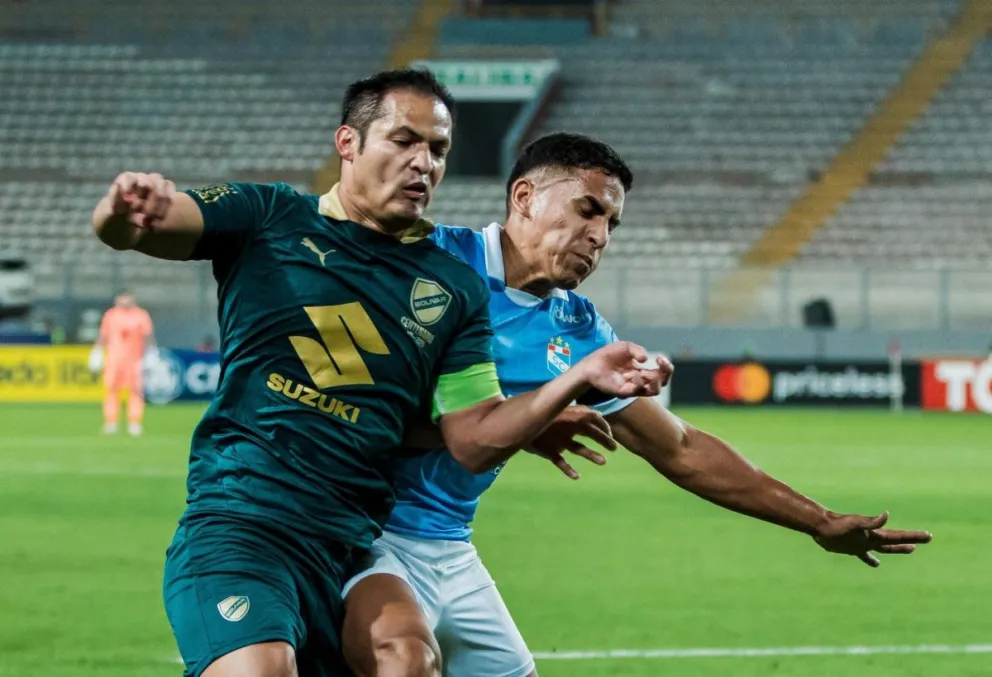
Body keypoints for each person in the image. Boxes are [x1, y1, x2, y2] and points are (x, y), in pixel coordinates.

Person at [91, 72, 665, 677]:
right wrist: (122, 210)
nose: (423, 163)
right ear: (348, 143)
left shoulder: (453, 285)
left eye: (438, 150)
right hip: (243, 524)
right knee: (264, 670)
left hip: (353, 545)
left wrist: (576, 379)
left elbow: (471, 438)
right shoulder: (271, 218)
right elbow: (142, 228)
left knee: (409, 657)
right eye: (403, 141)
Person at [341, 133, 934, 677]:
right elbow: (348, 402)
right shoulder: (427, 261)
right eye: (588, 210)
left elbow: (680, 447)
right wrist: (528, 423)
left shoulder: (577, 328)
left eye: (613, 224)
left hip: (450, 544)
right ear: (524, 197)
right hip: (362, 531)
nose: (600, 236)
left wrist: (818, 520)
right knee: (404, 663)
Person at [89, 291, 154, 436]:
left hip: (134, 359)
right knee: (111, 389)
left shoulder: (141, 315)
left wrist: (151, 353)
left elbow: (147, 336)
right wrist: (97, 351)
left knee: (135, 390)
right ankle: (111, 421)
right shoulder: (111, 315)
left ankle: (134, 421)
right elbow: (103, 335)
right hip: (114, 359)